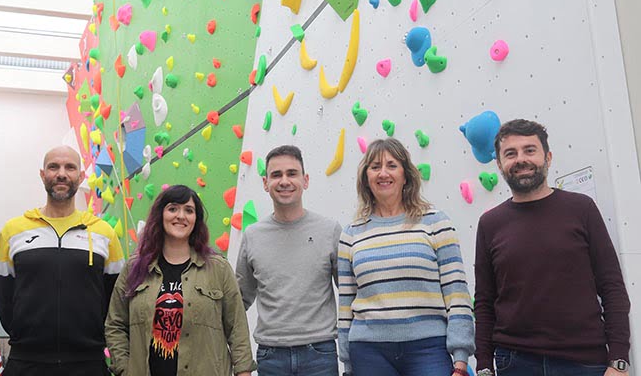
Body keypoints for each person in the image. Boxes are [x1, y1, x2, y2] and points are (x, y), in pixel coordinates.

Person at [473, 119, 631, 376]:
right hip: (514, 363)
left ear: (547, 157)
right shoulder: (489, 224)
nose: (520, 159)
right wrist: (483, 366)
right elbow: (484, 301)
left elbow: (611, 286)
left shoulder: (582, 209)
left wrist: (619, 359)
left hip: (584, 362)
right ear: (500, 165)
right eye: (510, 154)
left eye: (529, 150)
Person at [338, 138, 475, 376]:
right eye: (375, 167)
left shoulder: (435, 222)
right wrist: (348, 363)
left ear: (405, 175)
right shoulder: (351, 233)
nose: (383, 173)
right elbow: (345, 304)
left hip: (429, 349)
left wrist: (461, 359)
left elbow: (456, 293)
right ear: (366, 178)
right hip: (368, 352)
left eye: (392, 165)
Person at [0, 146, 125, 376]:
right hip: (25, 363)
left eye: (70, 167)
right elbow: (4, 299)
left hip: (89, 364)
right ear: (42, 174)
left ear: (81, 176)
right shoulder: (13, 231)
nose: (61, 174)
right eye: (53, 167)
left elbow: (116, 301)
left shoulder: (104, 233)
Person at [105, 184, 255, 376]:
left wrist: (244, 372)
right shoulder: (134, 268)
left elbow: (237, 328)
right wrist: (125, 369)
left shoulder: (218, 269)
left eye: (189, 210)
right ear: (160, 214)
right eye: (173, 209)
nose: (181, 216)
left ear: (196, 219)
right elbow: (115, 324)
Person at [236, 145, 343, 376]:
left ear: (305, 180)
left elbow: (349, 292)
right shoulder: (252, 236)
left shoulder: (330, 231)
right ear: (265, 183)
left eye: (292, 173)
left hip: (320, 354)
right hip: (271, 357)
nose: (284, 181)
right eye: (276, 175)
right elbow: (238, 302)